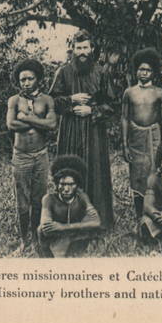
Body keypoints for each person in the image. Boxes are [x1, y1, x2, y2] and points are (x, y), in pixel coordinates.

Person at [49, 31, 114, 228]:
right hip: (70, 130)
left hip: (94, 131)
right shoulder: (63, 72)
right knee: (70, 169)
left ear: (92, 49)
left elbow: (111, 104)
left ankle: (99, 221)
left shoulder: (101, 72)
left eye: (86, 48)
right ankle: (67, 217)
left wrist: (92, 110)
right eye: (79, 48)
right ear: (73, 50)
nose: (82, 52)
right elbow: (51, 101)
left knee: (96, 172)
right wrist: (71, 100)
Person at [6, 58, 57, 254]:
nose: (25, 83)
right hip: (21, 156)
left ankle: (36, 238)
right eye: (22, 80)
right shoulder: (14, 101)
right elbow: (11, 125)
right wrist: (39, 122)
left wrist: (26, 118)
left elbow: (52, 124)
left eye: (29, 79)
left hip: (41, 155)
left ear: (38, 79)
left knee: (39, 199)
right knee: (22, 201)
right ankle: (23, 240)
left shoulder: (46, 100)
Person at [121, 48, 162, 219]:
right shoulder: (129, 92)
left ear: (153, 72)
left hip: (153, 138)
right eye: (141, 69)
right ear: (136, 70)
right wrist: (125, 144)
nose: (143, 73)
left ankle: (155, 215)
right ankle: (140, 215)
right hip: (135, 140)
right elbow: (125, 118)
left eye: (148, 70)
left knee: (154, 175)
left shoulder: (159, 92)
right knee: (137, 176)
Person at [38, 155, 101, 258]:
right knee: (40, 230)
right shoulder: (48, 199)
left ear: (77, 185)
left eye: (71, 184)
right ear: (57, 185)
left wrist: (63, 227)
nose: (66, 189)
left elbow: (96, 222)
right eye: (62, 184)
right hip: (55, 240)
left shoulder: (82, 197)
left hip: (74, 237)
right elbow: (45, 227)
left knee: (92, 230)